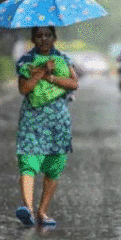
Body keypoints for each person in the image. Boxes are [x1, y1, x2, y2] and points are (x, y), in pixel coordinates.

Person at [14, 26, 79, 227]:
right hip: (32, 119)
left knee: (54, 165)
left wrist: (51, 76)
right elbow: (24, 89)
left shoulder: (63, 59)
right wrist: (41, 71)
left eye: (47, 35)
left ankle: (43, 211)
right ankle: (29, 210)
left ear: (54, 37)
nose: (43, 39)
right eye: (39, 36)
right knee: (28, 160)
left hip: (57, 120)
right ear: (33, 39)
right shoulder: (26, 61)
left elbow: (74, 84)